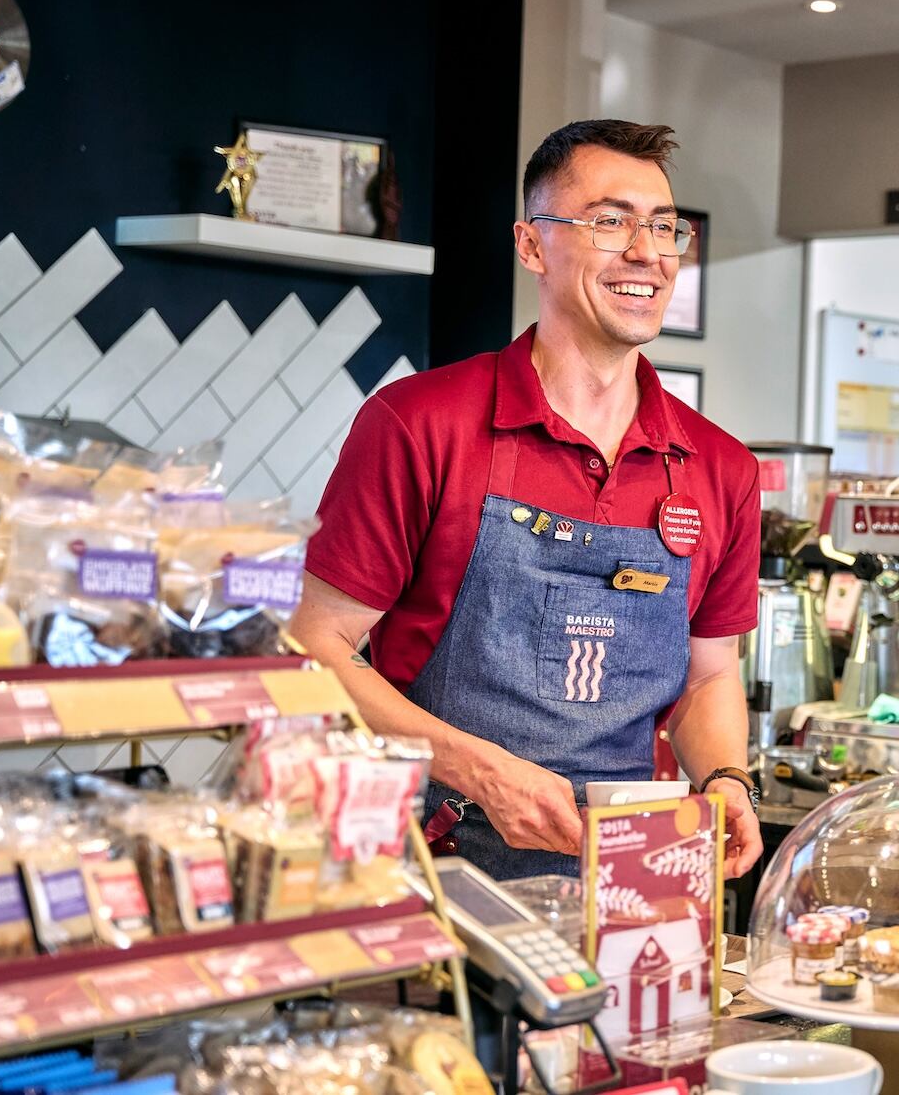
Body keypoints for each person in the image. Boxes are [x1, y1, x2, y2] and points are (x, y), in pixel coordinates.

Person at [291, 120, 765, 882]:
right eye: (609, 221)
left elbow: (708, 676)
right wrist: (482, 772)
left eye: (665, 227)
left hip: (631, 879)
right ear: (532, 244)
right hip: (429, 873)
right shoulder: (420, 424)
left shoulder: (721, 469)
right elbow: (312, 650)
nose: (647, 251)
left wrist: (726, 779)